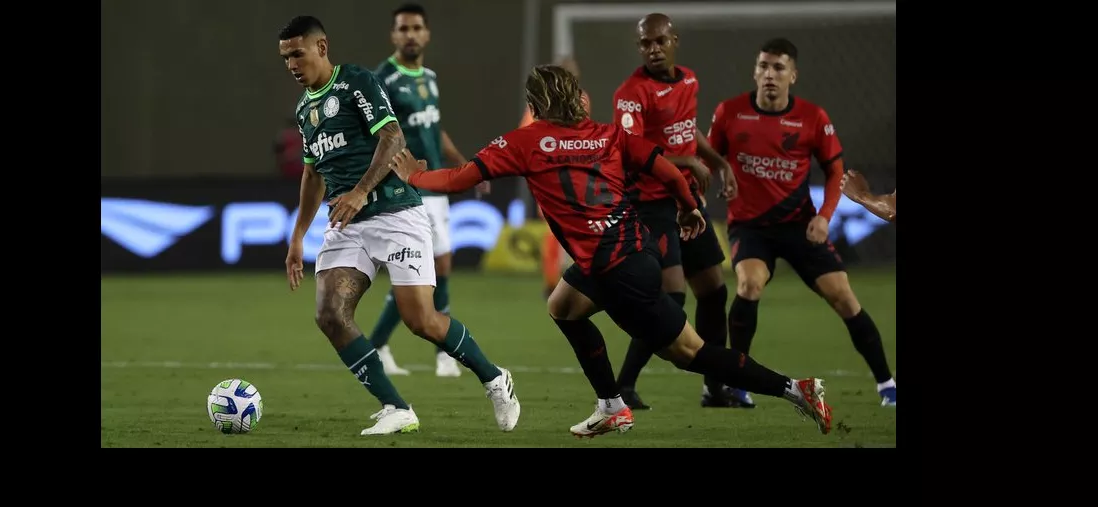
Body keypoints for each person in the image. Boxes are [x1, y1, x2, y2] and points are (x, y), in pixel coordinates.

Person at [389, 64, 834, 437]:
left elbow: (458, 178)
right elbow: (666, 169)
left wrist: (413, 177)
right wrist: (689, 208)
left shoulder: (524, 142)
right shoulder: (607, 135)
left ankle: (796, 388)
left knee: (690, 353)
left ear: (536, 104)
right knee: (562, 305)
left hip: (615, 269)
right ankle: (611, 404)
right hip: (632, 251)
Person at [278, 15, 521, 435]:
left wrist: (359, 190)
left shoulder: (356, 81)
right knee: (330, 314)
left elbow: (393, 137)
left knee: (421, 321)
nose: (292, 65)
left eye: (297, 54)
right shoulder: (304, 109)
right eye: (285, 58)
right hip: (347, 224)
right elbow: (313, 174)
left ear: (321, 47)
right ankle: (396, 407)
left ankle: (496, 378)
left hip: (394, 213)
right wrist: (298, 236)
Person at [709, 38, 896, 407]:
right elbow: (710, 156)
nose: (769, 75)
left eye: (778, 68)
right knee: (748, 285)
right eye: (763, 66)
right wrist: (718, 174)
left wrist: (825, 217)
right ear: (755, 71)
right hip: (751, 227)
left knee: (843, 297)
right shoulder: (729, 112)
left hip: (800, 225)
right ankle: (739, 382)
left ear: (792, 75)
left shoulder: (813, 118)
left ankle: (887, 383)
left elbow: (835, 170)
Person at [603, 12, 752, 411]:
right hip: (650, 204)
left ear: (674, 41)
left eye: (660, 41)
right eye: (646, 43)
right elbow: (630, 153)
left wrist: (717, 162)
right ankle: (623, 388)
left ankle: (714, 387)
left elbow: (687, 129)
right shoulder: (631, 94)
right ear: (639, 47)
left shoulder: (689, 80)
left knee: (714, 290)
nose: (654, 48)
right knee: (671, 296)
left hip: (686, 202)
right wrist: (688, 163)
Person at [367, 3, 490, 379]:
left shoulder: (430, 78)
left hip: (435, 184)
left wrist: (467, 165)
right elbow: (376, 134)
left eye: (416, 28)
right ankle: (442, 353)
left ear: (427, 33)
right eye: (403, 29)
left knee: (438, 267)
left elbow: (434, 129)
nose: (410, 35)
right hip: (407, 188)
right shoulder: (382, 79)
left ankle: (382, 345)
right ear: (393, 35)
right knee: (427, 270)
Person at [522, 56, 590, 300]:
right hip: (549, 177)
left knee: (577, 229)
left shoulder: (582, 100)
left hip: (577, 176)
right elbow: (525, 137)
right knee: (555, 230)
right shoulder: (541, 103)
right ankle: (551, 284)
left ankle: (574, 280)